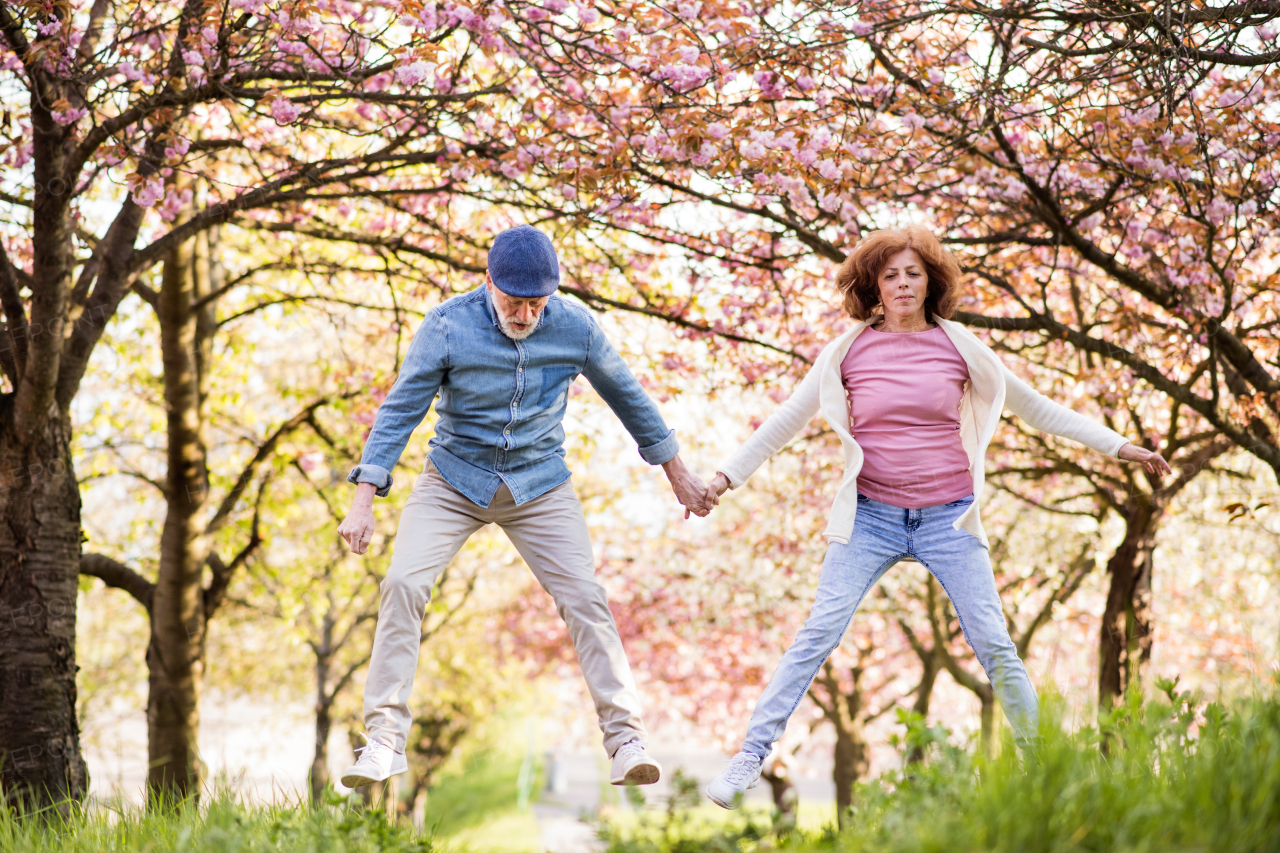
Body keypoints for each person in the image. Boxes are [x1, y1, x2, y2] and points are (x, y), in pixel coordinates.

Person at [703, 226, 1171, 808]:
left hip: (949, 518)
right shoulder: (846, 353)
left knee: (994, 643)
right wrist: (722, 479)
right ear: (873, 283)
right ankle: (751, 755)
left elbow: (1037, 408)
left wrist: (1121, 446)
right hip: (870, 518)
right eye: (890, 274)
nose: (902, 284)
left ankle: (1040, 764)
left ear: (931, 281)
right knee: (816, 634)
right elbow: (783, 422)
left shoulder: (961, 348)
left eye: (913, 273)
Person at [337, 224, 716, 789]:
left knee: (586, 596)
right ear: (488, 282)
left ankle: (626, 739)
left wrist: (678, 475)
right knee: (403, 584)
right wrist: (363, 500)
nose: (526, 316)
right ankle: (384, 741)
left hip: (540, 484)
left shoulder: (575, 326)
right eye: (515, 303)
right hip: (454, 480)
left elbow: (629, 397)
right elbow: (400, 412)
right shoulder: (446, 326)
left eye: (538, 304)